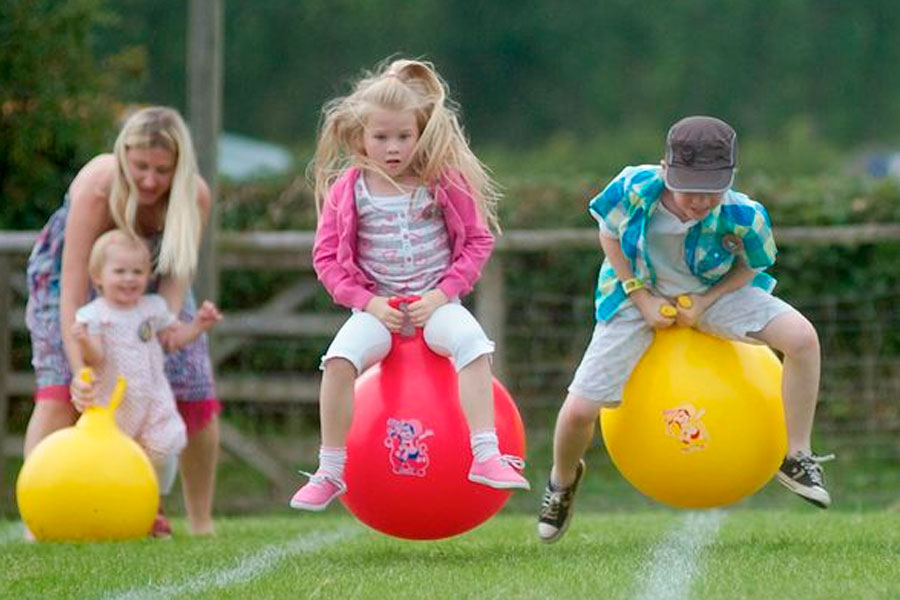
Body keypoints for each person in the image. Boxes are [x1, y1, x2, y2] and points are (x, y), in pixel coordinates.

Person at [537, 116, 832, 543]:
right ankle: (561, 483)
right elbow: (609, 236)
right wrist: (641, 297)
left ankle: (797, 454)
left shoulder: (744, 215)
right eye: (689, 188)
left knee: (803, 338)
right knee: (580, 411)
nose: (698, 201)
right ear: (665, 169)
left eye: (710, 190)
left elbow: (753, 265)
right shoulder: (633, 187)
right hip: (635, 297)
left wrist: (708, 303)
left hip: (713, 294)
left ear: (729, 178)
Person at [289, 58, 529, 512]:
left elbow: (478, 241)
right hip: (376, 311)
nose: (393, 147)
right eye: (381, 137)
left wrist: (440, 295)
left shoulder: (442, 182)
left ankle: (486, 455)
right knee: (338, 362)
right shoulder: (349, 189)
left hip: (437, 305)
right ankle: (330, 470)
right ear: (360, 137)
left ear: (420, 133)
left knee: (474, 347)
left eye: (404, 136)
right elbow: (325, 258)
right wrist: (369, 303)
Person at [24, 106, 220, 536]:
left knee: (192, 388)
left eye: (162, 170)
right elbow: (73, 289)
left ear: (180, 168)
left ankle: (197, 520)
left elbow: (172, 287)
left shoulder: (195, 197)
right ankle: (36, 519)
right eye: (141, 167)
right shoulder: (99, 186)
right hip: (68, 279)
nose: (150, 180)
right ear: (123, 155)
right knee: (61, 393)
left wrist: (162, 336)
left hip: (147, 284)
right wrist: (80, 370)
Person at [72, 230, 222, 537]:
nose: (129, 279)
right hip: (114, 401)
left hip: (152, 397)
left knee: (164, 448)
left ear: (148, 275)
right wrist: (84, 341)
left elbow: (172, 340)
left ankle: (152, 503)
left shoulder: (152, 308)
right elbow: (97, 358)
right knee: (115, 459)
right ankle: (119, 512)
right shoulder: (95, 314)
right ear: (98, 277)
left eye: (137, 271)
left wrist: (198, 326)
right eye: (120, 271)